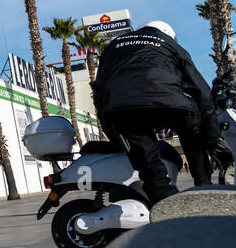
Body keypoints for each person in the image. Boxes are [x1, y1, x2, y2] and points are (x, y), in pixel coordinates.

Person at [91, 20, 220, 202]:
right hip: (169, 103)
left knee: (149, 163)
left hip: (123, 108)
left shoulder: (113, 44)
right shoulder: (170, 44)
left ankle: (163, 199)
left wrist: (115, 137)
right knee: (191, 126)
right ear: (169, 34)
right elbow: (203, 93)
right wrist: (213, 140)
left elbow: (99, 91)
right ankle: (204, 185)